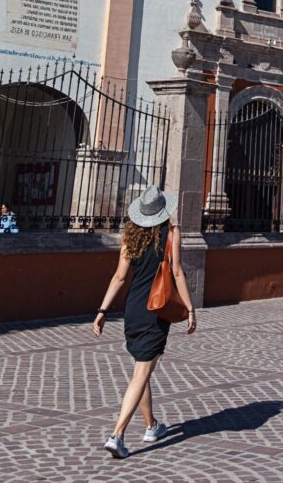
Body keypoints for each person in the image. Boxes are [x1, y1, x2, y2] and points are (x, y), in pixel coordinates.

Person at [93, 185, 197, 459]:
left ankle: (152, 426)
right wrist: (190, 308)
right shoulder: (172, 234)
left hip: (133, 309)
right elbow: (177, 273)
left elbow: (119, 277)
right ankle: (117, 435)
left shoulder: (130, 236)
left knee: (142, 368)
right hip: (156, 309)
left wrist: (103, 310)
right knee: (141, 373)